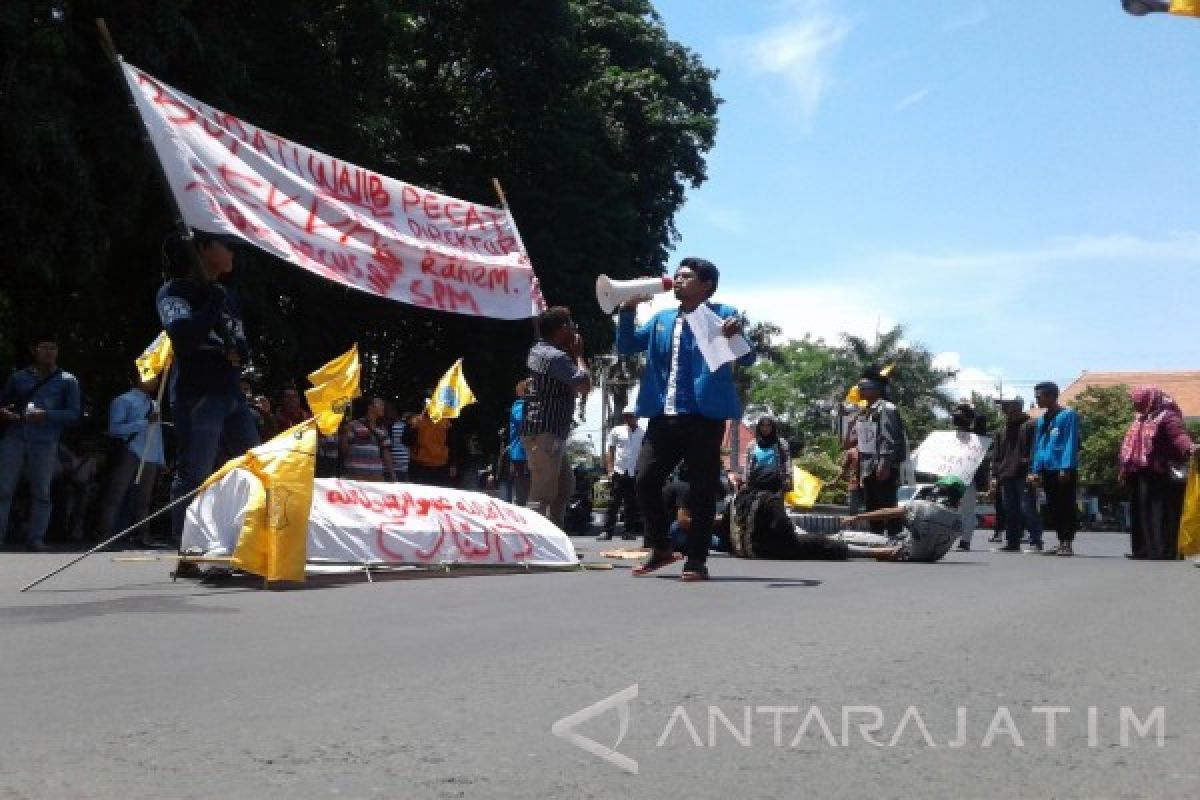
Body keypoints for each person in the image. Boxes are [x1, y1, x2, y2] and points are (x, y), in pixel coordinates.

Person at [616, 257, 755, 582]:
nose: (677, 281)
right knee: (645, 479)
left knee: (702, 490)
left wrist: (736, 335)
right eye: (676, 276)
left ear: (706, 285)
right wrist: (626, 310)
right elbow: (625, 346)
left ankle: (696, 559)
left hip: (704, 418)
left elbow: (747, 358)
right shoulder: (662, 319)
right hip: (663, 416)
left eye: (687, 277)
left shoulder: (721, 315)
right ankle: (662, 547)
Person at [157, 230, 260, 547]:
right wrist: (211, 304)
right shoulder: (174, 292)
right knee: (194, 472)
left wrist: (239, 352)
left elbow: (242, 345)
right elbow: (184, 338)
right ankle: (187, 547)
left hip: (231, 393)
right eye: (227, 246)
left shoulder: (229, 296)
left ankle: (248, 542)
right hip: (198, 394)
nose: (233, 254)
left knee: (255, 465)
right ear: (201, 248)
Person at [0, 334, 81, 550]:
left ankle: (36, 538)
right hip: (16, 436)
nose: (49, 352)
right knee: (4, 489)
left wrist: (47, 415)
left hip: (45, 440)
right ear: (34, 350)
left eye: (53, 348)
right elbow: (4, 404)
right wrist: (6, 413)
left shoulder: (68, 380)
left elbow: (74, 414)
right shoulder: (18, 378)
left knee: (42, 492)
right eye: (44, 347)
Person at [520, 307, 592, 527]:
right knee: (542, 493)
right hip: (546, 432)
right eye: (570, 324)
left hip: (547, 431)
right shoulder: (556, 356)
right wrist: (578, 354)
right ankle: (535, 545)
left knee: (564, 486)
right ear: (561, 329)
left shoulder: (540, 350)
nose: (574, 328)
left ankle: (555, 535)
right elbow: (584, 384)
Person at [1118, 386, 1197, 560]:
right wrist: (1124, 470)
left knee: (1161, 512)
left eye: (1138, 402)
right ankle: (1143, 550)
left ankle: (1164, 550)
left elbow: (1179, 436)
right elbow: (1129, 447)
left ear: (1149, 401)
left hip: (1161, 473)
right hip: (1139, 473)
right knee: (1140, 512)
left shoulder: (1168, 417)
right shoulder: (1140, 418)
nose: (1135, 405)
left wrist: (1190, 448)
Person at [96, 371, 165, 546]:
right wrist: (143, 422)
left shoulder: (154, 404)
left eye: (156, 377)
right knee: (116, 494)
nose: (155, 380)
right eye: (150, 377)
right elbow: (115, 428)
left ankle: (143, 535)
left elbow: (157, 435)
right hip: (130, 451)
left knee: (145, 499)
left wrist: (160, 458)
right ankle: (105, 535)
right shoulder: (123, 400)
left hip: (149, 454)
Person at [839, 475, 968, 562]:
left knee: (844, 536)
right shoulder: (959, 521)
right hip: (929, 557)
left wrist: (857, 517)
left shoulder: (921, 507)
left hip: (901, 550)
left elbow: (887, 512)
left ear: (938, 490)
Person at [1029, 381, 1081, 557]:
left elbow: (1071, 442)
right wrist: (1035, 470)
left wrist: (1066, 467)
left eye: (1040, 396)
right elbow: (1039, 445)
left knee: (1066, 505)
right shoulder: (1042, 419)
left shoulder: (1068, 415)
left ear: (1052, 396)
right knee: (1053, 506)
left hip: (1062, 468)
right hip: (1046, 467)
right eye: (1036, 396)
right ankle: (1060, 541)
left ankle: (1067, 542)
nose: (1037, 399)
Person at [855, 372, 908, 541]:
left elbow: (889, 437)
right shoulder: (866, 411)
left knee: (888, 505)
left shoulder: (886, 408)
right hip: (868, 466)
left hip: (881, 465)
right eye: (860, 387)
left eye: (864, 388)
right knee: (872, 506)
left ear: (876, 389)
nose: (860, 391)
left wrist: (885, 462)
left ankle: (896, 538)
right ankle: (875, 540)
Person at [989, 397, 1045, 553]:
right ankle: (1012, 542)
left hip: (1024, 473)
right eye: (1005, 407)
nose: (1006, 410)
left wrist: (1033, 471)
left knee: (1027, 508)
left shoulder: (1031, 425)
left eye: (1009, 406)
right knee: (1010, 510)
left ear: (1019, 407)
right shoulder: (1003, 430)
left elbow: (1036, 449)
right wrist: (994, 476)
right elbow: (996, 456)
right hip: (1006, 474)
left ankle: (1036, 541)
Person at [601, 405, 644, 541]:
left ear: (637, 417)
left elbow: (644, 453)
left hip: (634, 472)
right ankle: (607, 531)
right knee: (613, 502)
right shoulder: (616, 431)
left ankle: (628, 531)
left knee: (631, 504)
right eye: (626, 415)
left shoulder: (643, 433)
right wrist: (610, 469)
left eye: (631, 415)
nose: (628, 418)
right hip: (619, 471)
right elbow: (611, 451)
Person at [340, 396, 395, 482]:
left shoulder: (382, 429)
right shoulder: (353, 425)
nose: (383, 407)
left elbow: (386, 453)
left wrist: (392, 474)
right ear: (370, 407)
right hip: (354, 476)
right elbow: (344, 450)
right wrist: (344, 434)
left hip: (376, 476)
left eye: (383, 405)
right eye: (380, 404)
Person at [498, 381, 531, 506]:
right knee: (521, 489)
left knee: (528, 489)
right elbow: (524, 422)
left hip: (527, 454)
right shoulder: (519, 405)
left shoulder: (527, 405)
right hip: (520, 455)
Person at [742, 415, 793, 494]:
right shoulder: (752, 445)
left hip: (776, 483)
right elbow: (748, 464)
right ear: (759, 427)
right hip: (757, 482)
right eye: (762, 425)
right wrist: (745, 481)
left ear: (773, 427)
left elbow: (787, 461)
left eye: (768, 425)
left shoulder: (781, 443)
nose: (765, 428)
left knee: (774, 505)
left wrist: (788, 477)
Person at [410, 406, 458, 487]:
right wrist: (412, 426)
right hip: (421, 464)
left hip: (441, 465)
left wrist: (453, 464)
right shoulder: (418, 421)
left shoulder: (445, 422)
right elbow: (406, 440)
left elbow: (452, 443)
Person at [388, 407, 416, 484]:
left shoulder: (392, 426)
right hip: (404, 463)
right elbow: (411, 444)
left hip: (392, 462)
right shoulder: (409, 428)